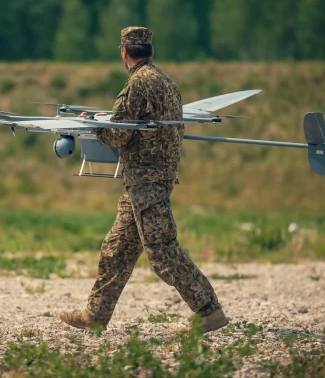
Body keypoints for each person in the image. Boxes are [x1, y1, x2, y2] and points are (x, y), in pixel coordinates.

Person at [59, 26, 228, 333]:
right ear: (149, 51)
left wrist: (89, 125)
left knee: (162, 249)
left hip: (146, 181)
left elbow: (119, 134)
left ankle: (208, 310)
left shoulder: (136, 85)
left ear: (124, 52)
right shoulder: (165, 81)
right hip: (150, 179)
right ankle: (95, 315)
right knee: (116, 248)